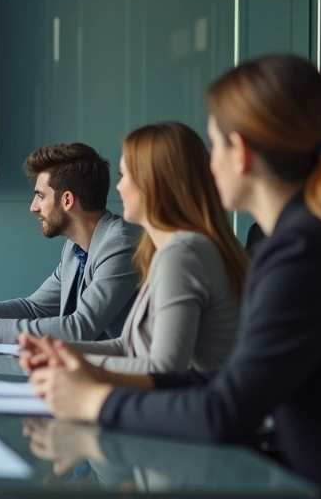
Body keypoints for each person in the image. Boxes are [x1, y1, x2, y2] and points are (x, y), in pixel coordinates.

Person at [28, 54, 321, 497]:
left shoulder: (303, 253)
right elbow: (229, 382)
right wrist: (94, 371)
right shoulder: (300, 239)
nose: (208, 167)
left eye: (216, 147)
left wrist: (95, 401)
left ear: (242, 153)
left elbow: (224, 410)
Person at [49, 122, 246, 374]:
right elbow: (128, 346)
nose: (118, 188)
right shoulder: (167, 250)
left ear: (152, 182)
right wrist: (56, 351)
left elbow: (163, 368)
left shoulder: (182, 253)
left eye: (123, 176)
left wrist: (73, 364)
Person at [0, 143, 138, 343]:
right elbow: (34, 308)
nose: (33, 207)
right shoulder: (75, 250)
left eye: (40, 196)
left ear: (67, 200)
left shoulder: (120, 246)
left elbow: (80, 328)